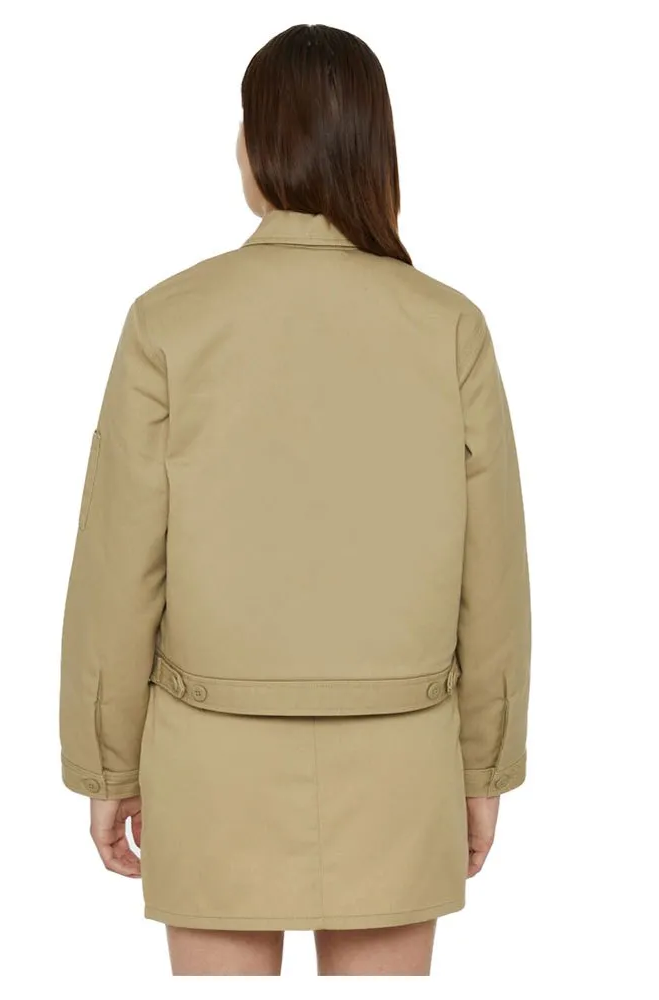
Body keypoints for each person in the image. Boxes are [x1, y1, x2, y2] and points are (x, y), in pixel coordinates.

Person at [58, 22, 531, 976]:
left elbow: (118, 565)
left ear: (254, 145)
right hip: (400, 764)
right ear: (376, 149)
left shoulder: (169, 322)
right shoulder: (449, 327)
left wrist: (108, 765)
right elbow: (494, 575)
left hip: (211, 765)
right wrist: (483, 766)